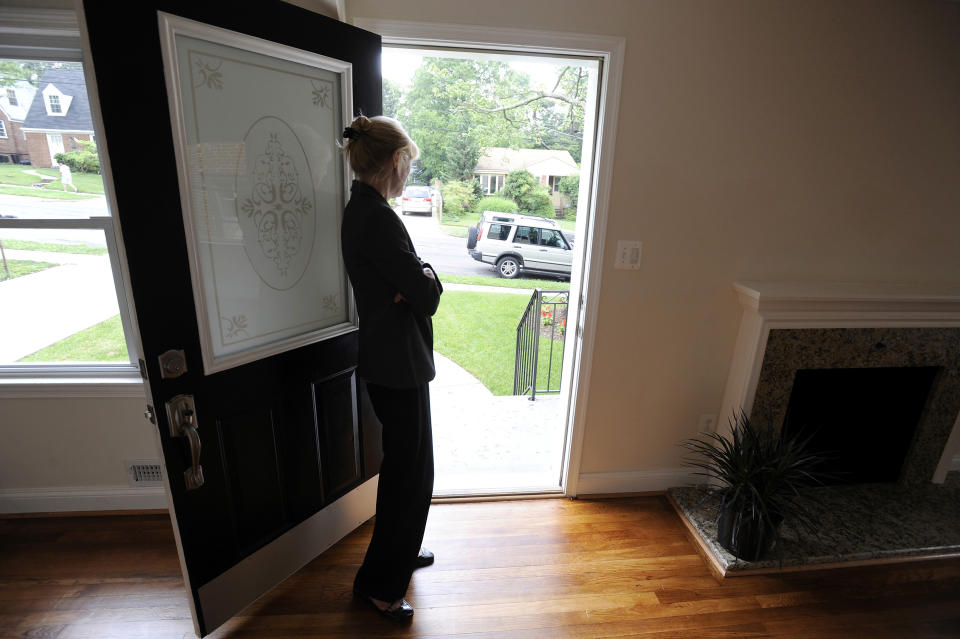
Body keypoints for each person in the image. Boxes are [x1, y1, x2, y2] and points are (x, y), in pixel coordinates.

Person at [340, 115, 442, 621]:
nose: (409, 173)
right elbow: (425, 295)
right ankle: (380, 586)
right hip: (397, 365)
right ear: (396, 161)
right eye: (409, 163)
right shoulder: (376, 217)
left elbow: (410, 289)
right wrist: (422, 273)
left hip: (393, 361)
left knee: (410, 467)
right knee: (409, 474)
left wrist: (412, 279)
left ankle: (400, 555)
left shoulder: (365, 208)